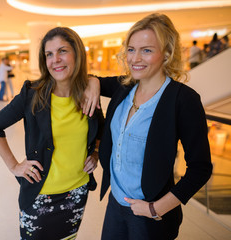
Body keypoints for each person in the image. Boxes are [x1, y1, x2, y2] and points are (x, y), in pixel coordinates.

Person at [84, 13, 213, 240]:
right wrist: (94, 82)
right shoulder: (124, 87)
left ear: (166, 54)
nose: (135, 58)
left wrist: (156, 209)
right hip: (116, 204)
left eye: (147, 50)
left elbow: (200, 169)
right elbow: (91, 79)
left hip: (153, 213)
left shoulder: (183, 100)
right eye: (131, 49)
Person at [0, 27, 104, 239]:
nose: (55, 59)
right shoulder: (33, 94)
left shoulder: (88, 93)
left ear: (77, 53)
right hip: (40, 196)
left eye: (62, 51)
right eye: (49, 54)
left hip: (77, 192)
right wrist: (14, 166)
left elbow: (99, 128)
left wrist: (96, 153)